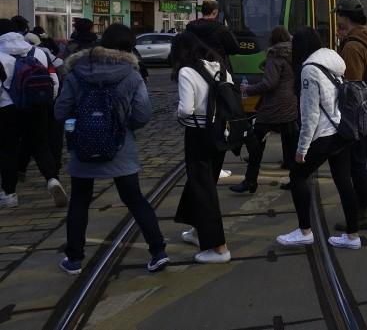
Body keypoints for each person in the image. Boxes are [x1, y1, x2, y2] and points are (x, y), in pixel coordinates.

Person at [54, 23, 168, 274]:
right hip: (120, 148)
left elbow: (60, 111)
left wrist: (81, 124)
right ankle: (158, 251)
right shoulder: (131, 74)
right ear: (129, 48)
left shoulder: (76, 71)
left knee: (79, 201)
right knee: (135, 200)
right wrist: (124, 129)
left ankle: (74, 258)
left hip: (82, 147)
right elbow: (143, 114)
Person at [275, 26, 361, 250]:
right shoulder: (332, 60)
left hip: (325, 134)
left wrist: (302, 149)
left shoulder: (309, 70)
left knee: (297, 177)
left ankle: (305, 231)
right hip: (341, 130)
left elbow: (310, 113)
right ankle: (353, 236)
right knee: (344, 182)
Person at [170, 32, 231, 264]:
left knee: (203, 188)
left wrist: (178, 115)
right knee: (203, 182)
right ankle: (198, 232)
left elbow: (186, 109)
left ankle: (219, 248)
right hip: (220, 134)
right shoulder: (219, 66)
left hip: (198, 134)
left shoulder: (187, 71)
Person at [0, 18, 66, 209]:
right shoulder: (37, 52)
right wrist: (46, 104)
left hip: (7, 109)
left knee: (8, 151)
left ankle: (9, 194)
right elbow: (52, 81)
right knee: (40, 146)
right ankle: (52, 180)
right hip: (36, 107)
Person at [230, 25, 299, 193]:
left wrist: (249, 89)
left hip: (273, 107)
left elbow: (270, 83)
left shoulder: (275, 56)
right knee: (292, 145)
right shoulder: (294, 54)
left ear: (272, 39)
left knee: (256, 144)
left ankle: (250, 181)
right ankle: (296, 180)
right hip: (290, 104)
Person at [331, 0, 367, 230]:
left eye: (337, 16)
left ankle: (362, 213)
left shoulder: (352, 46)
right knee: (359, 162)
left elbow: (351, 85)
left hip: (354, 114)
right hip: (366, 110)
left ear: (343, 16)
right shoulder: (366, 39)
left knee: (356, 165)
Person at [185, 0, 240, 71]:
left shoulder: (190, 28)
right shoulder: (221, 29)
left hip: (196, 69)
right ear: (215, 12)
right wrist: (228, 30)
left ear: (202, 11)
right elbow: (234, 50)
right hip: (218, 71)